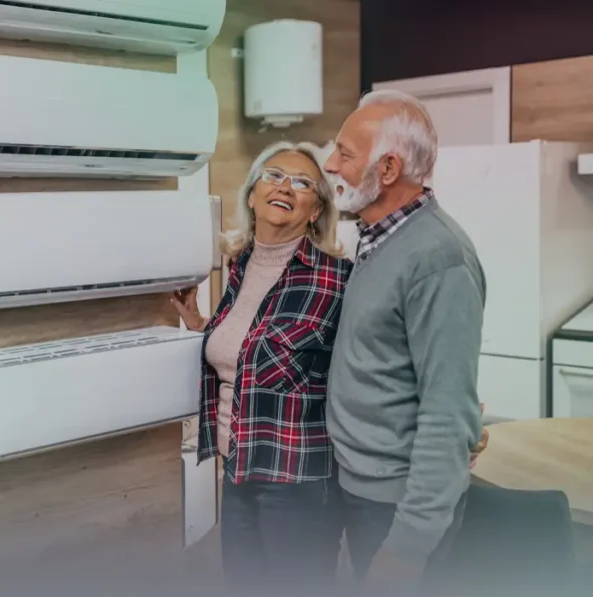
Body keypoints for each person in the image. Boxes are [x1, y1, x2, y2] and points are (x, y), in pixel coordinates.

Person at [322, 89, 485, 593]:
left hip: (396, 508)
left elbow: (446, 412)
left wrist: (408, 547)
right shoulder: (376, 240)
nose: (330, 164)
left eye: (345, 154)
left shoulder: (439, 259)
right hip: (360, 490)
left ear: (388, 169)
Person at [171, 140, 351, 594]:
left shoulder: (338, 278)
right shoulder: (240, 265)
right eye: (273, 175)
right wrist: (202, 326)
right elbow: (257, 345)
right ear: (252, 195)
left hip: (297, 480)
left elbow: (365, 365)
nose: (285, 187)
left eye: (303, 182)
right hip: (238, 469)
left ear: (316, 210)